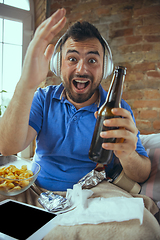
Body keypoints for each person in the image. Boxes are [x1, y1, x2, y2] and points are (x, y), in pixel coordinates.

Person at [0, 9, 160, 240]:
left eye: (92, 60)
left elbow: (142, 173)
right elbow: (7, 147)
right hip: (35, 192)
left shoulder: (117, 108)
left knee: (145, 228)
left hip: (93, 194)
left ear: (104, 68)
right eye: (72, 58)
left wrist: (127, 153)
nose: (82, 69)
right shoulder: (42, 98)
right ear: (59, 64)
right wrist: (26, 83)